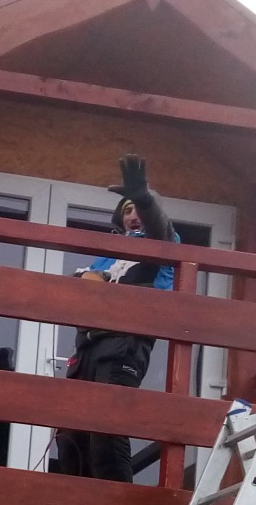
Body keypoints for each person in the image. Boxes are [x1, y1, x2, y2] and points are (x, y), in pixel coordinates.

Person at [52, 155, 179, 482]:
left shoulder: (164, 242)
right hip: (87, 351)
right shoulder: (107, 254)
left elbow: (160, 230)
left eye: (137, 209)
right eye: (127, 210)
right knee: (69, 437)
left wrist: (143, 197)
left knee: (107, 433)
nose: (133, 215)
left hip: (124, 345)